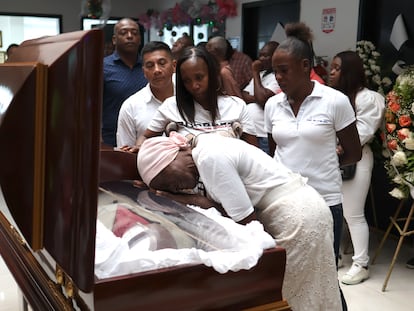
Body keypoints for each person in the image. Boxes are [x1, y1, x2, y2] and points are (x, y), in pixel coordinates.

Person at [137, 132, 342, 311]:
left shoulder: (209, 157)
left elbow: (246, 223)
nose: (173, 187)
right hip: (303, 211)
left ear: (178, 153)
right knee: (310, 292)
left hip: (297, 218)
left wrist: (183, 200)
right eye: (165, 187)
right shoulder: (205, 150)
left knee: (286, 296)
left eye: (166, 177)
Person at [264, 22, 362, 310]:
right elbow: (276, 151)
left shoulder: (334, 101)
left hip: (324, 200)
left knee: (324, 274)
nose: (278, 77)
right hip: (283, 202)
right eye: (274, 70)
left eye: (284, 70)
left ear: (305, 65)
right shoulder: (273, 106)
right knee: (287, 271)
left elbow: (353, 152)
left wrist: (325, 165)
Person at [328, 50, 385, 285]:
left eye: (337, 68)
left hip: (358, 159)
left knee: (353, 214)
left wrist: (336, 146)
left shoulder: (368, 98)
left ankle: (361, 264)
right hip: (333, 159)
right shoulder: (335, 97)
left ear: (349, 72)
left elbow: (363, 132)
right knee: (334, 210)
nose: (331, 72)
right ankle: (336, 256)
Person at [139, 46, 258, 147]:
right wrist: (139, 148)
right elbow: (145, 137)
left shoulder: (236, 106)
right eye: (186, 81)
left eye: (199, 77)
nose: (194, 85)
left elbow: (254, 151)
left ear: (212, 74)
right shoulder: (171, 105)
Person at [116, 41, 176, 152]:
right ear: (144, 72)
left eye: (162, 63)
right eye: (150, 66)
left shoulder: (189, 94)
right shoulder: (131, 106)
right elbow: (125, 153)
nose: (157, 70)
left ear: (174, 66)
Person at [102, 18, 147, 147]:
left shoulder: (148, 66)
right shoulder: (103, 67)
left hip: (148, 138)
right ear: (114, 40)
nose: (129, 36)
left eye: (134, 33)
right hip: (112, 139)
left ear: (139, 39)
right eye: (124, 33)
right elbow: (93, 106)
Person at [242, 41, 281, 154]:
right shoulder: (261, 75)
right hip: (251, 131)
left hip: (263, 133)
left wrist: (254, 72)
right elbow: (244, 95)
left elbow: (263, 99)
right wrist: (258, 97)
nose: (261, 59)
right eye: (260, 55)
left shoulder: (277, 77)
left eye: (265, 55)